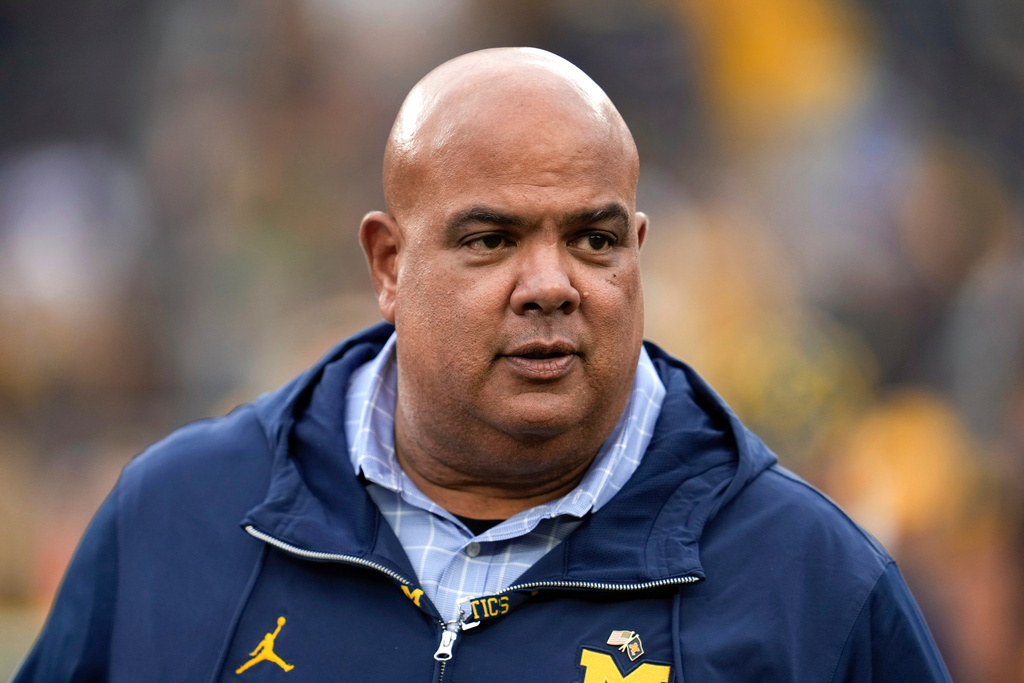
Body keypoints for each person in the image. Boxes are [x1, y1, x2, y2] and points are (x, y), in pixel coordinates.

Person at [14, 47, 950, 682]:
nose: (551, 284)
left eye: (593, 238)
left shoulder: (811, 579)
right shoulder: (178, 521)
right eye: (491, 239)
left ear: (640, 251)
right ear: (389, 264)